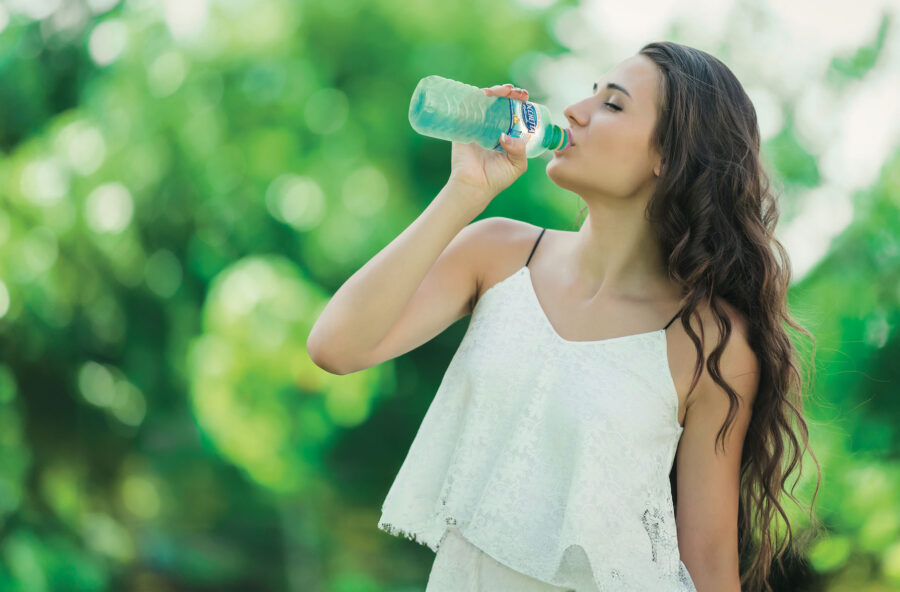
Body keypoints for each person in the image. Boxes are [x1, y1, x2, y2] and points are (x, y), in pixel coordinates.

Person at [307, 41, 823, 592]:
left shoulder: (710, 344)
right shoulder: (498, 253)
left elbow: (711, 563)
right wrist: (464, 192)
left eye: (614, 104)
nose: (575, 110)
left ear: (668, 158)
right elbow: (336, 348)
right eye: (591, 91)